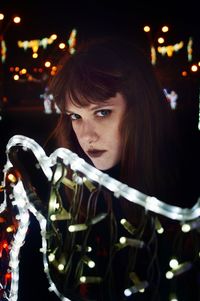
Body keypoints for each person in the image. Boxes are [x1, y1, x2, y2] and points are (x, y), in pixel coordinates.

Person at [43, 37, 197, 301]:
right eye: (75, 116)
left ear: (140, 108)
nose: (87, 135)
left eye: (102, 112)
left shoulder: (187, 185)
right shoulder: (66, 185)